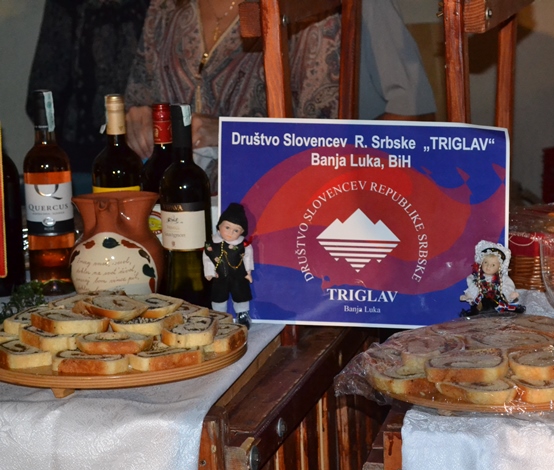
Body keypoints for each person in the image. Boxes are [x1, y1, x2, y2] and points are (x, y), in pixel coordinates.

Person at [124, 0, 436, 184]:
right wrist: (140, 122)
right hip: (178, 219)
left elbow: (415, 120)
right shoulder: (165, 7)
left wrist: (235, 135)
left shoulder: (351, 5)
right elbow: (140, 101)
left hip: (300, 218)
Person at [26, 0, 150, 193]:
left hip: (144, 155)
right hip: (80, 162)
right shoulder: (68, 5)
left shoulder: (161, 6)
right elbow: (43, 92)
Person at [203, 202, 254, 328]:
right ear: (219, 226)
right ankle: (220, 316)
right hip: (219, 276)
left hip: (238, 275)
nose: (230, 233)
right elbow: (207, 259)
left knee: (241, 294)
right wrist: (209, 272)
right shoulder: (211, 245)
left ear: (241, 232)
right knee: (218, 296)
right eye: (227, 227)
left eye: (236, 230)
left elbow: (248, 256)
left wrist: (248, 271)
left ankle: (242, 314)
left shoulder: (243, 245)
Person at [460, 240, 524, 317]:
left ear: (499, 267)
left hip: (497, 303)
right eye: (485, 263)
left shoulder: (502, 279)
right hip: (482, 305)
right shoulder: (476, 278)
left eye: (493, 265)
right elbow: (473, 289)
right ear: (481, 263)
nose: (488, 266)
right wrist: (468, 296)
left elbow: (507, 288)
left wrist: (510, 295)